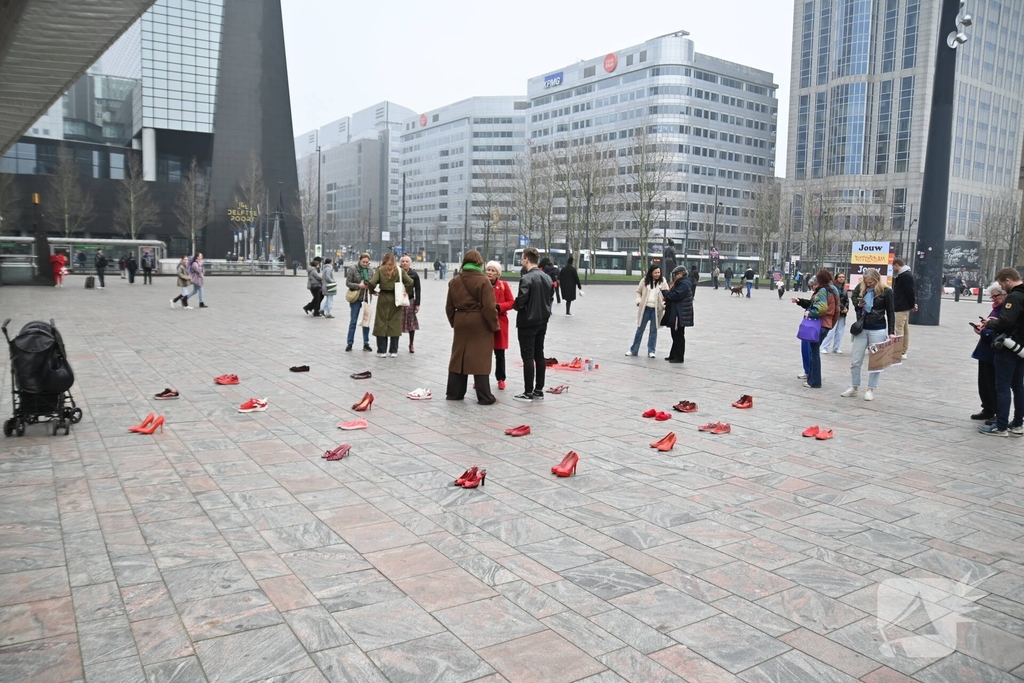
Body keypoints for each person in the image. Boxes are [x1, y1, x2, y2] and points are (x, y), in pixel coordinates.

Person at [445, 250, 499, 404]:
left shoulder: (455, 281)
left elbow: (449, 307)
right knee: (481, 358)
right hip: (479, 321)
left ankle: (454, 393)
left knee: (458, 356)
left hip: (461, 320)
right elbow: (489, 307)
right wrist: (493, 324)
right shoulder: (484, 281)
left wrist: (455, 322)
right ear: (479, 263)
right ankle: (484, 396)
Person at [980, 268, 1024, 436]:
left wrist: (990, 323)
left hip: (1008, 346)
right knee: (1018, 386)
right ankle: (1018, 424)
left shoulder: (1014, 297)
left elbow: (1006, 322)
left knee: (1002, 387)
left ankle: (1001, 426)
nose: (1002, 287)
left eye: (1001, 284)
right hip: (1020, 348)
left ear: (1008, 280)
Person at [842, 268, 896, 401]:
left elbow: (890, 312)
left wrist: (891, 332)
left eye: (871, 282)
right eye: (866, 282)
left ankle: (870, 389)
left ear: (877, 280)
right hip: (862, 328)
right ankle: (854, 386)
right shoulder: (863, 290)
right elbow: (856, 305)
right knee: (855, 360)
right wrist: (858, 305)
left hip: (877, 329)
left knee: (875, 360)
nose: (868, 284)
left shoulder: (886, 291)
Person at [513, 247, 554, 402]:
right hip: (542, 321)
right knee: (539, 354)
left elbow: (521, 301)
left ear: (526, 259)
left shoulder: (526, 278)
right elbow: (550, 298)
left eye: (522, 258)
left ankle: (527, 391)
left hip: (527, 322)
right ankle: (538, 389)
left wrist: (516, 305)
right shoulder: (547, 278)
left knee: (528, 357)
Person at [792, 270, 836, 389]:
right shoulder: (833, 290)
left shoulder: (822, 291)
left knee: (814, 353)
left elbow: (821, 309)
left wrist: (810, 314)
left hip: (820, 324)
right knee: (814, 352)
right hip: (827, 323)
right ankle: (813, 378)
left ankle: (814, 380)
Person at [368, 252, 414, 358]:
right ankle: (393, 351)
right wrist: (406, 292)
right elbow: (410, 282)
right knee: (395, 323)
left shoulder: (380, 270)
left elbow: (371, 283)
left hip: (383, 297)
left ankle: (381, 351)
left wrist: (373, 291)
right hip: (396, 298)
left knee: (381, 323)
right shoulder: (399, 270)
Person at [972, 283, 1006, 425]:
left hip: (994, 349)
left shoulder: (1006, 310)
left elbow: (1001, 328)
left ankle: (996, 411)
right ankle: (987, 408)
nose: (993, 300)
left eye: (996, 296)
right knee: (984, 382)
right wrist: (982, 326)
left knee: (992, 383)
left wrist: (985, 331)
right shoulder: (996, 309)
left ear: (1004, 294)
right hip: (985, 349)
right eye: (992, 297)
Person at [626, 264, 667, 358]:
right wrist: (639, 301)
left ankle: (651, 351)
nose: (657, 274)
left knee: (653, 331)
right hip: (645, 308)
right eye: (655, 272)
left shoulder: (663, 281)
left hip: (656, 310)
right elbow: (638, 292)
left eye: (659, 272)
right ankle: (634, 350)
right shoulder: (644, 281)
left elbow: (666, 293)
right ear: (651, 273)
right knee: (640, 329)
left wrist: (664, 304)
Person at [486, 260, 514, 390]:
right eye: (488, 270)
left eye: (493, 270)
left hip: (500, 323)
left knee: (499, 354)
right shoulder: (482, 284)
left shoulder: (504, 285)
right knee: (483, 353)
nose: (490, 272)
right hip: (485, 323)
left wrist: (500, 306)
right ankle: (481, 378)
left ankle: (501, 379)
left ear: (498, 274)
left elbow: (511, 302)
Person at [662, 265, 694, 363]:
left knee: (678, 335)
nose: (674, 276)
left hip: (680, 314)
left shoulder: (684, 284)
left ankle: (679, 357)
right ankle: (673, 355)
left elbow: (676, 296)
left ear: (681, 274)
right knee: (675, 335)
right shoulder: (681, 283)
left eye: (676, 274)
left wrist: (666, 292)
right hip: (677, 312)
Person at [345, 253, 375, 352]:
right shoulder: (353, 269)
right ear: (360, 260)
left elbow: (373, 283)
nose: (365, 264)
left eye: (367, 262)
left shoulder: (371, 271)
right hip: (356, 297)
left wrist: (371, 288)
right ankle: (350, 343)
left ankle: (366, 343)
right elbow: (348, 283)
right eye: (363, 262)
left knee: (366, 321)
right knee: (353, 320)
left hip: (367, 297)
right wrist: (359, 285)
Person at [892, 258, 917, 360]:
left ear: (897, 265)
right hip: (903, 305)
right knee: (904, 328)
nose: (893, 268)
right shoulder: (904, 275)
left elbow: (909, 292)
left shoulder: (904, 276)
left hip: (901, 306)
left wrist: (912, 304)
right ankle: (902, 350)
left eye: (893, 266)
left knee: (899, 329)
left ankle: (900, 351)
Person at [821, 272, 849, 354]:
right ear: (836, 278)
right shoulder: (833, 288)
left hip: (842, 313)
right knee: (831, 330)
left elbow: (847, 300)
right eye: (839, 277)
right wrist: (841, 307)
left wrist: (846, 308)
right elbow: (836, 299)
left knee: (840, 331)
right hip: (834, 312)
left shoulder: (844, 289)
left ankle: (837, 347)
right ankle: (824, 347)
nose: (841, 278)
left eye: (843, 277)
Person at [400, 255, 421, 352]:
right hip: (399, 300)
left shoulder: (414, 274)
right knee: (397, 321)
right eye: (403, 261)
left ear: (410, 263)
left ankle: (411, 344)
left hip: (410, 300)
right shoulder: (397, 272)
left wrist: (417, 303)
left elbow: (418, 289)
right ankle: (394, 344)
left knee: (411, 322)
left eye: (406, 261)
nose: (404, 263)